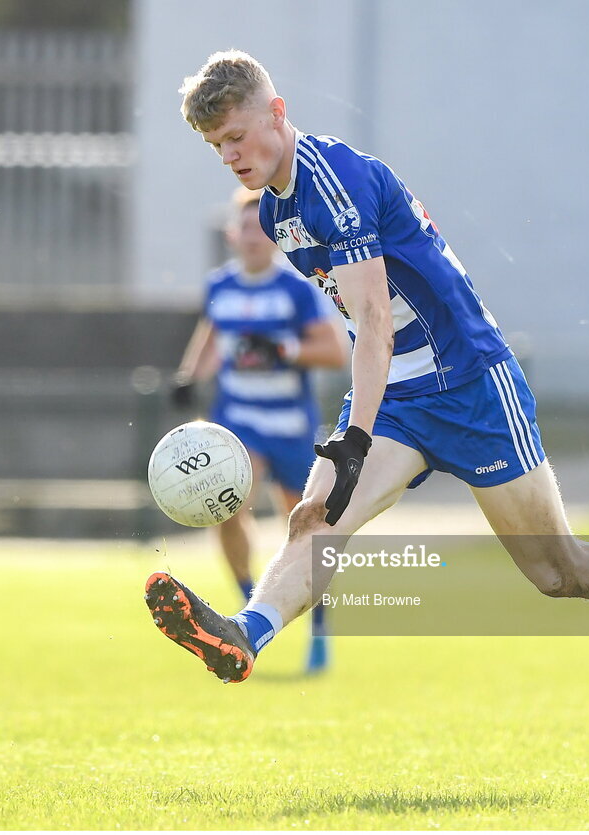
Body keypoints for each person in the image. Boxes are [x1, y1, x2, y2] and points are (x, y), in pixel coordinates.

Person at [146, 50, 589, 732]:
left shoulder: (333, 180)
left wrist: (352, 438)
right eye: (214, 146)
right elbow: (367, 326)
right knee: (315, 522)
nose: (228, 154)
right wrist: (361, 434)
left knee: (561, 572)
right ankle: (243, 634)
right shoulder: (273, 212)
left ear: (276, 112)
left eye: (235, 135)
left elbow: (374, 319)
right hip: (397, 393)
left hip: (469, 381)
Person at [170, 186, 348, 674]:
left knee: (303, 527)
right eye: (244, 227)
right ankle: (248, 610)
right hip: (236, 422)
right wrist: (189, 377)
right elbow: (211, 335)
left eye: (260, 228)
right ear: (232, 234)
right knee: (225, 505)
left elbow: (335, 353)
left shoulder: (296, 291)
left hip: (290, 425)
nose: (252, 237)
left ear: (272, 236)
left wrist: (284, 351)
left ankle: (316, 625)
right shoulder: (220, 287)